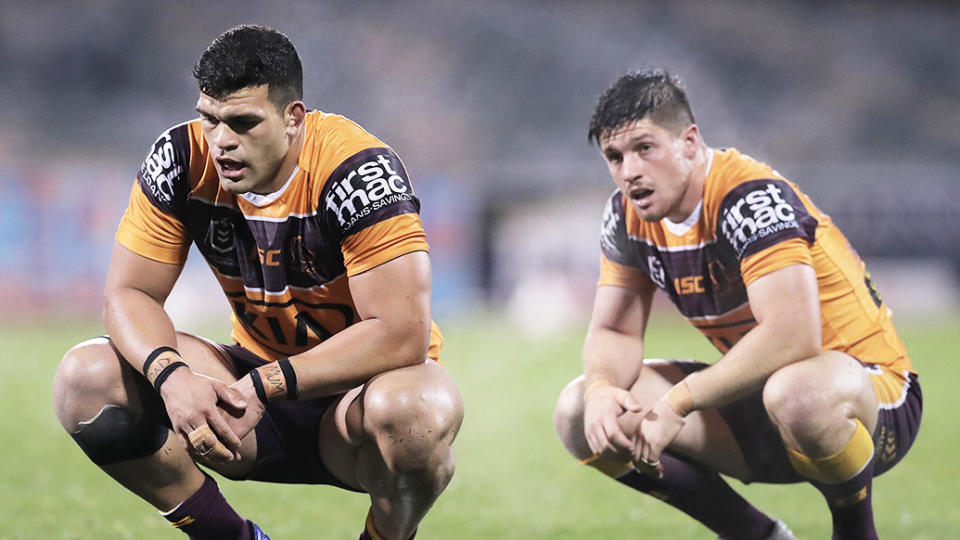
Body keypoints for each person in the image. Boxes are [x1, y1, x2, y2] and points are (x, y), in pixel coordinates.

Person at [53, 24, 463, 540]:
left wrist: (267, 386)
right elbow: (129, 293)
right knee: (85, 376)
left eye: (244, 122)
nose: (222, 141)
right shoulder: (181, 159)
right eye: (210, 119)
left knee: (414, 412)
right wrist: (173, 379)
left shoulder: (358, 172)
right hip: (246, 393)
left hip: (360, 403)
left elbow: (402, 333)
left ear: (294, 119)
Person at [553, 70, 921, 539]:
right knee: (579, 412)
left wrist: (676, 404)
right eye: (614, 156)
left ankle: (854, 531)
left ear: (689, 142)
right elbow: (615, 331)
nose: (629, 171)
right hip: (767, 406)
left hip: (869, 400)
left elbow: (792, 334)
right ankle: (756, 535)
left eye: (645, 148)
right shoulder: (626, 217)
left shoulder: (748, 197)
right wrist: (603, 388)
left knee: (798, 392)